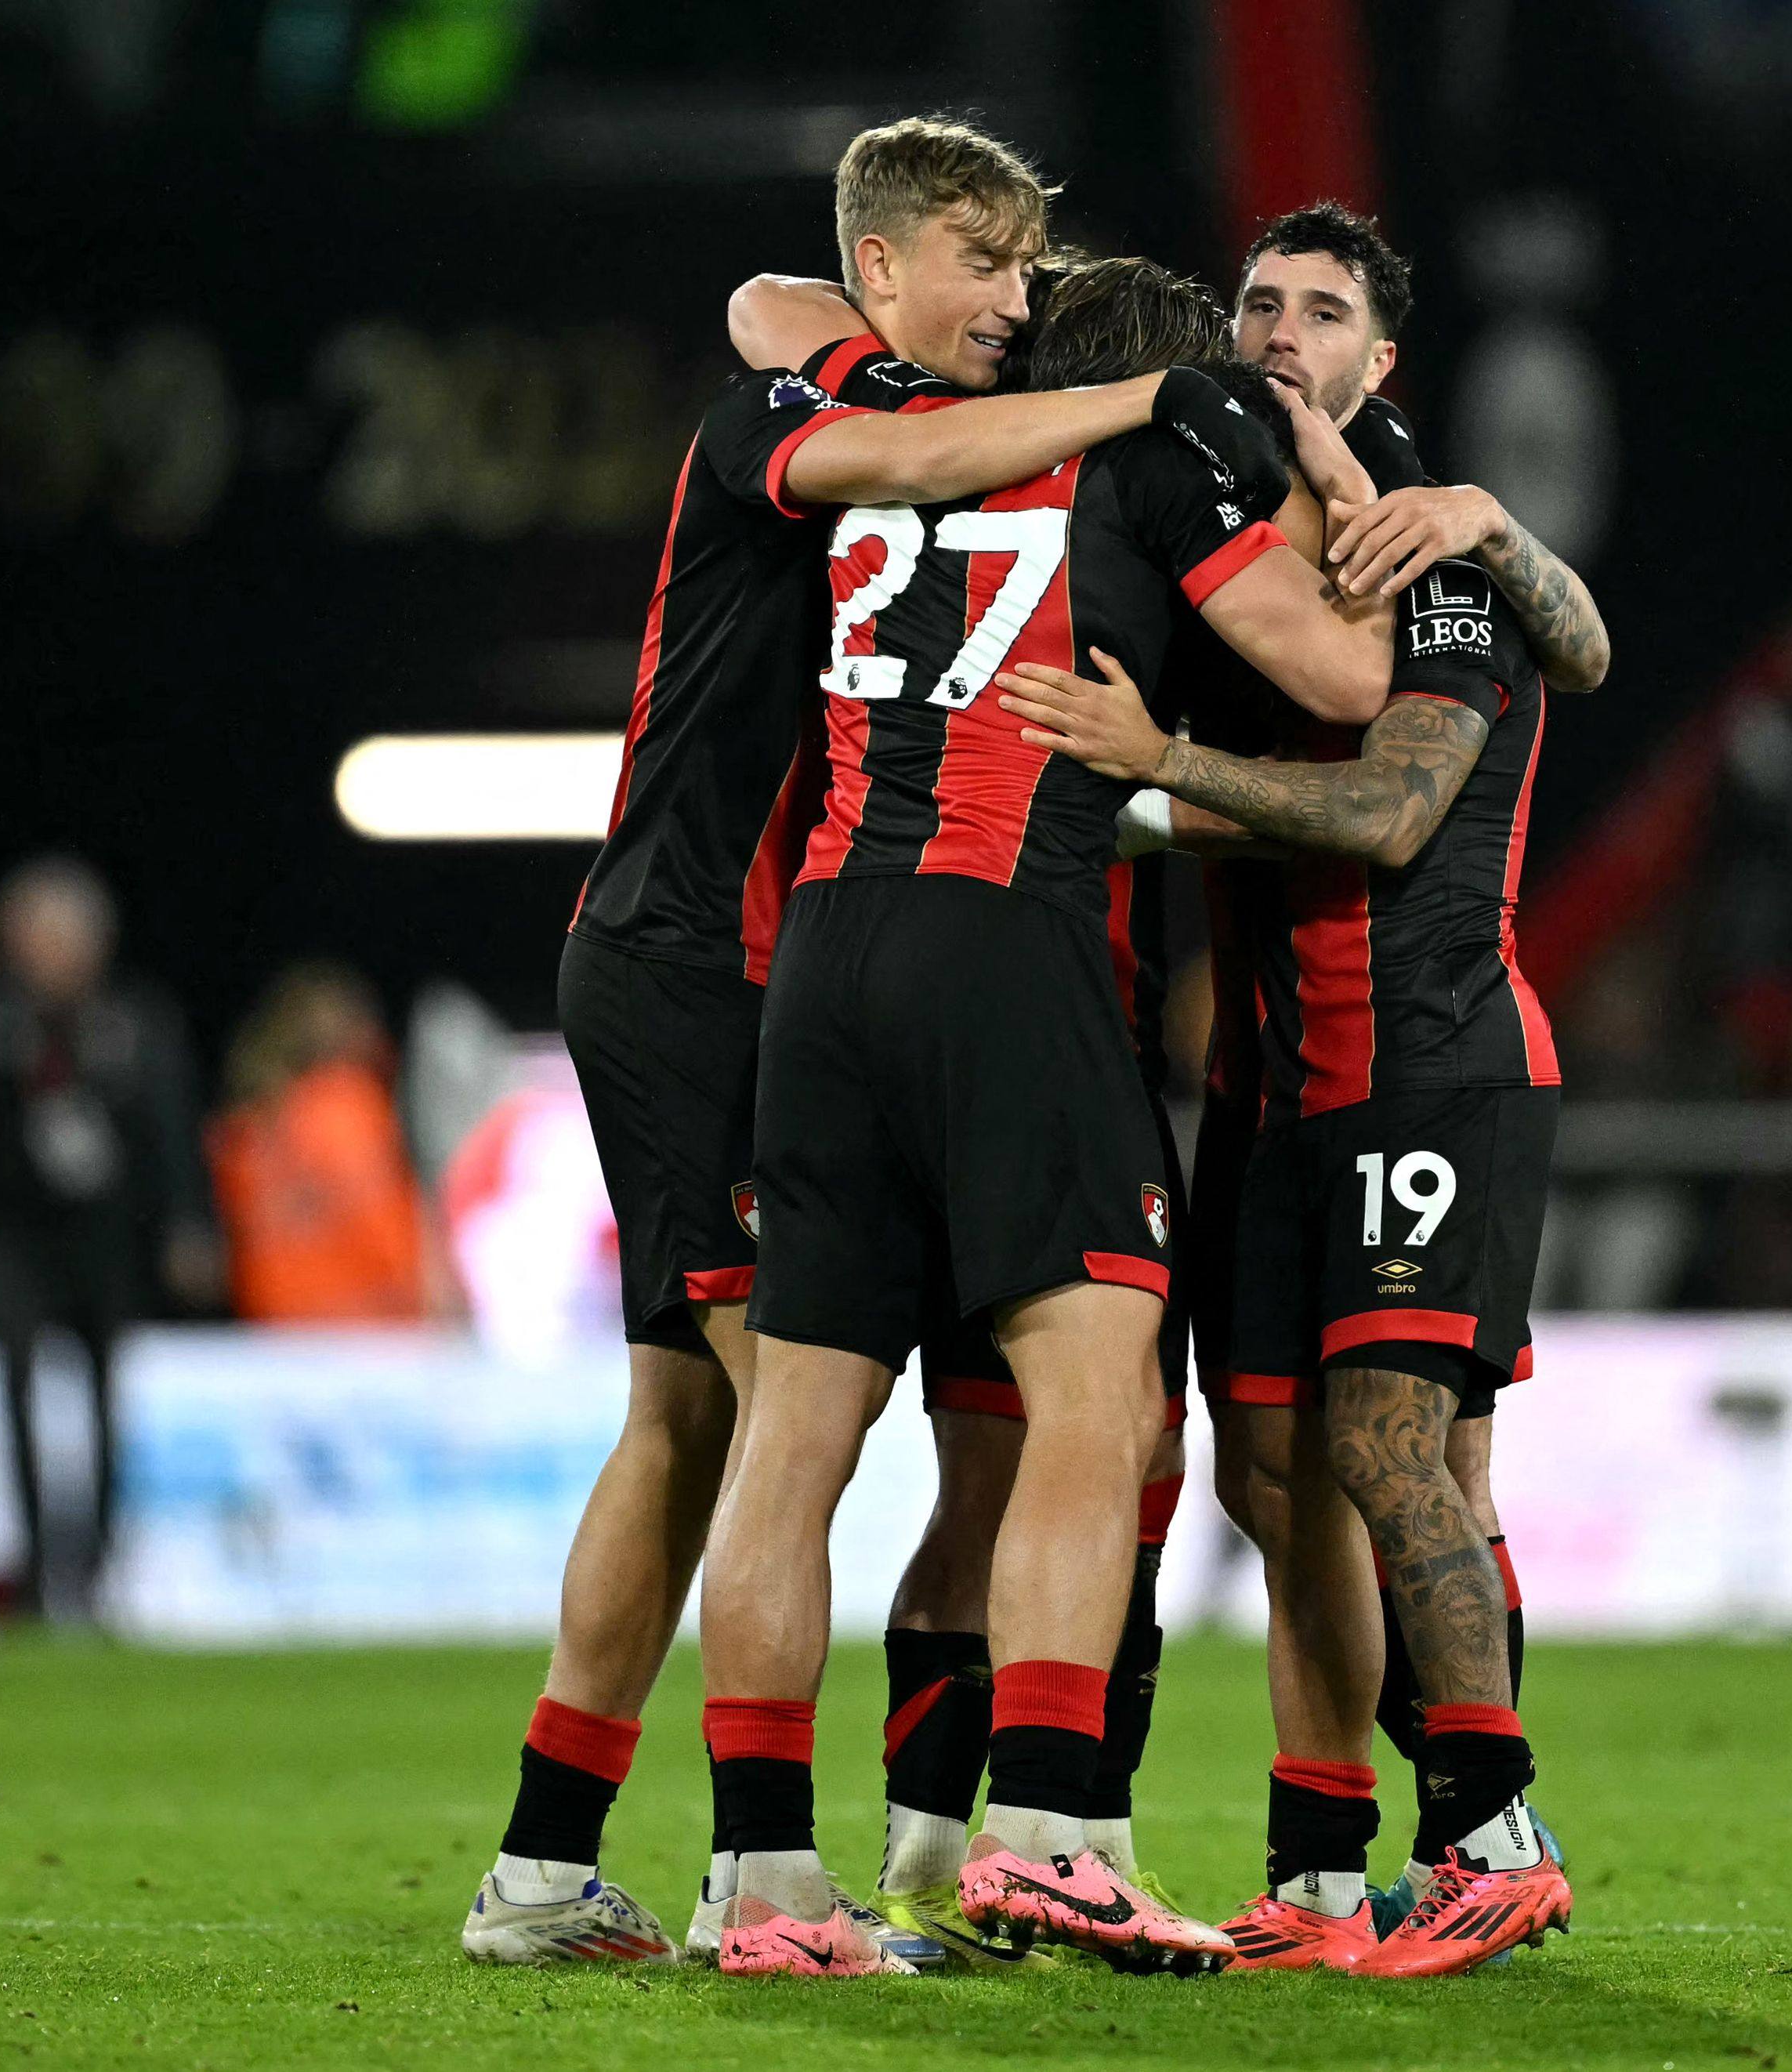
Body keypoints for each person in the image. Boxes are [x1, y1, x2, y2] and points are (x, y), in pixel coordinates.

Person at [459, 118, 1225, 1973]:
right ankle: (759, 1865)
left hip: (768, 960)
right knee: (762, 1407)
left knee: (730, 1414)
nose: (1013, 301)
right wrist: (1149, 399)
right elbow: (800, 332)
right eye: (984, 263)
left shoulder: (884, 395)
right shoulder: (814, 431)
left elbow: (789, 302)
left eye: (1031, 274)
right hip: (705, 955)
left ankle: (602, 1858)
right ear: (888, 271)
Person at [702, 256, 1399, 1979]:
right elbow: (1342, 684)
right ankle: (1045, 1832)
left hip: (829, 949)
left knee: (797, 1430)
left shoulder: (887, 429)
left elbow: (770, 303)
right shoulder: (1152, 461)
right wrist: (1365, 504)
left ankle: (759, 1874)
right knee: (1101, 1396)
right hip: (1007, 942)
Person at [1000, 357, 1579, 1976]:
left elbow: (1393, 813)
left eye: (1322, 311)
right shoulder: (1258, 610)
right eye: (1258, 302)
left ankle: (1489, 1826)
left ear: (1380, 368)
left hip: (1432, 1068)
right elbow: (1288, 799)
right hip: (1274, 1101)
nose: (1281, 333)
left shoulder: (1450, 585)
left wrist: (1155, 768)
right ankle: (1322, 1866)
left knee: (1404, 1454)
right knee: (1277, 1479)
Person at [0, 855, 217, 1619]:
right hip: (13, 1242)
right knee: (15, 1388)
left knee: (113, 1398)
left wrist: (189, 1226)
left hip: (108, 1244)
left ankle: (103, 1565)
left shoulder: (136, 1023)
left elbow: (175, 1134)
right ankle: (36, 1565)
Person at [205, 963, 433, 1323]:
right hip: (364, 1326)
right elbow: (385, 1230)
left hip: (274, 1325)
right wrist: (427, 1304)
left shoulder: (246, 1124)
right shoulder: (343, 1104)